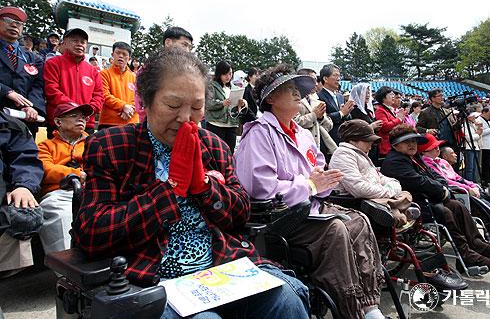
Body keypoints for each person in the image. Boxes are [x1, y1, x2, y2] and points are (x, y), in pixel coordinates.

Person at [72, 48, 309, 319]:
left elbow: (241, 212)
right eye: (173, 106)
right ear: (146, 102)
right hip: (154, 275)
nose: (186, 117)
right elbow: (91, 232)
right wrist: (169, 190)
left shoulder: (214, 146)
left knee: (286, 302)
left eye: (197, 107)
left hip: (221, 265)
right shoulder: (112, 146)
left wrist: (203, 186)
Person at [235, 64, 388, 319]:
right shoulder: (259, 134)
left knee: (359, 221)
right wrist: (310, 185)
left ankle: (370, 305)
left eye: (298, 90)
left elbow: (318, 170)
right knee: (335, 230)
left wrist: (323, 183)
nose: (298, 94)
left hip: (311, 208)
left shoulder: (303, 133)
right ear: (270, 98)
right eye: (289, 90)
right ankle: (350, 311)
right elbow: (260, 188)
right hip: (279, 218)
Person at [380, 124, 490, 270]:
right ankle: (467, 255)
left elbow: (435, 176)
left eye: (414, 141)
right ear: (396, 145)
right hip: (412, 203)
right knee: (444, 211)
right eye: (407, 141)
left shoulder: (414, 157)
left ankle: (478, 245)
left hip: (427, 198)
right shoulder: (395, 161)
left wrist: (442, 187)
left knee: (457, 205)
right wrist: (441, 190)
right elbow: (420, 182)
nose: (412, 144)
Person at [329, 120, 416, 228]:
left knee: (405, 193)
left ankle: (395, 207)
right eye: (368, 141)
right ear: (353, 140)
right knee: (396, 209)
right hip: (356, 201)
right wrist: (389, 192)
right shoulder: (343, 155)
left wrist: (392, 186)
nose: (370, 146)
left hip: (375, 194)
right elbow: (359, 188)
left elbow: (381, 177)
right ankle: (398, 211)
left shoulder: (361, 154)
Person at [436, 145, 490, 248]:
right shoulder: (431, 163)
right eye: (452, 153)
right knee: (476, 202)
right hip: (453, 191)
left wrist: (472, 185)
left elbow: (459, 178)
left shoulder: (443, 163)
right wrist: (468, 188)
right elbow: (447, 181)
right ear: (445, 156)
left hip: (459, 187)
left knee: (484, 198)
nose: (455, 155)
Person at [37, 102, 92, 254]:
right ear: (58, 122)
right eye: (74, 116)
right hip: (58, 193)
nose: (81, 120)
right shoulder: (46, 145)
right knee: (60, 214)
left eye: (83, 117)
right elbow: (46, 169)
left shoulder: (94, 142)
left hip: (91, 191)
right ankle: (66, 272)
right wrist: (76, 173)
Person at [0, 112, 43, 278]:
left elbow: (26, 159)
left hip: (5, 193)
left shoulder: (11, 126)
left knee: (25, 213)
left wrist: (24, 186)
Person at [44, 28, 103, 137]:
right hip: (60, 123)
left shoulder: (93, 71)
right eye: (75, 41)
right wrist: (75, 109)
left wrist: (87, 112)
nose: (79, 44)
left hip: (86, 125)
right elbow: (51, 90)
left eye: (83, 42)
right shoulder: (53, 63)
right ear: (65, 43)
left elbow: (99, 96)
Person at [0, 6, 45, 137]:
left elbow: (38, 87)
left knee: (25, 156)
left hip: (25, 118)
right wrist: (5, 91)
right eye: (8, 20)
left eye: (19, 23)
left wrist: (32, 107)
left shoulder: (33, 58)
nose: (14, 25)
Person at [293, 68, 337, 157]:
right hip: (303, 146)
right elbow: (294, 123)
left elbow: (328, 126)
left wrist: (321, 118)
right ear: (301, 81)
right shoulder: (293, 99)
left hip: (322, 144)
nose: (316, 84)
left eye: (316, 81)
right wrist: (314, 115)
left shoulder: (316, 100)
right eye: (312, 81)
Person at [204, 61, 246, 152]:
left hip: (232, 124)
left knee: (230, 152)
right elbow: (208, 103)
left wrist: (243, 104)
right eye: (225, 74)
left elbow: (240, 106)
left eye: (230, 74)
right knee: (217, 153)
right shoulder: (212, 86)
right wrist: (222, 103)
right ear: (219, 74)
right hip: (216, 124)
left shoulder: (234, 88)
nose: (228, 76)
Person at [98, 41, 138, 129]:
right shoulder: (104, 74)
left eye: (124, 54)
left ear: (129, 58)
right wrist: (123, 106)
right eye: (118, 53)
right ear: (112, 54)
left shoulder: (134, 77)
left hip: (131, 122)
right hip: (109, 122)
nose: (121, 56)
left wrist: (129, 109)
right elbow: (104, 95)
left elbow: (138, 98)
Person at [317, 63, 355, 145]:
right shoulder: (319, 96)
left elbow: (347, 117)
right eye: (335, 75)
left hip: (344, 138)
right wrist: (341, 113)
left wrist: (347, 113)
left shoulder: (340, 96)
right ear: (325, 79)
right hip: (330, 140)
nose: (338, 79)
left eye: (339, 76)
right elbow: (322, 119)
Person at [374, 86, 405, 157]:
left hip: (393, 145)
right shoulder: (380, 111)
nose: (393, 96)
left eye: (393, 94)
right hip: (386, 148)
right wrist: (399, 119)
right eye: (391, 94)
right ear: (383, 97)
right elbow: (385, 127)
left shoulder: (390, 109)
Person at [477, 107, 490, 185]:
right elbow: (480, 133)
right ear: (484, 112)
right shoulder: (479, 120)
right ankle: (485, 181)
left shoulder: (488, 121)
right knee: (485, 164)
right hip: (485, 146)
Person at [462, 111, 483, 182]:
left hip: (475, 147)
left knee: (475, 167)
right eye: (473, 116)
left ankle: (474, 182)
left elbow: (478, 136)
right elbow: (468, 138)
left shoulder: (473, 124)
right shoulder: (464, 125)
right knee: (469, 168)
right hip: (468, 148)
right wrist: (478, 134)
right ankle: (469, 182)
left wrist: (479, 131)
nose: (475, 118)